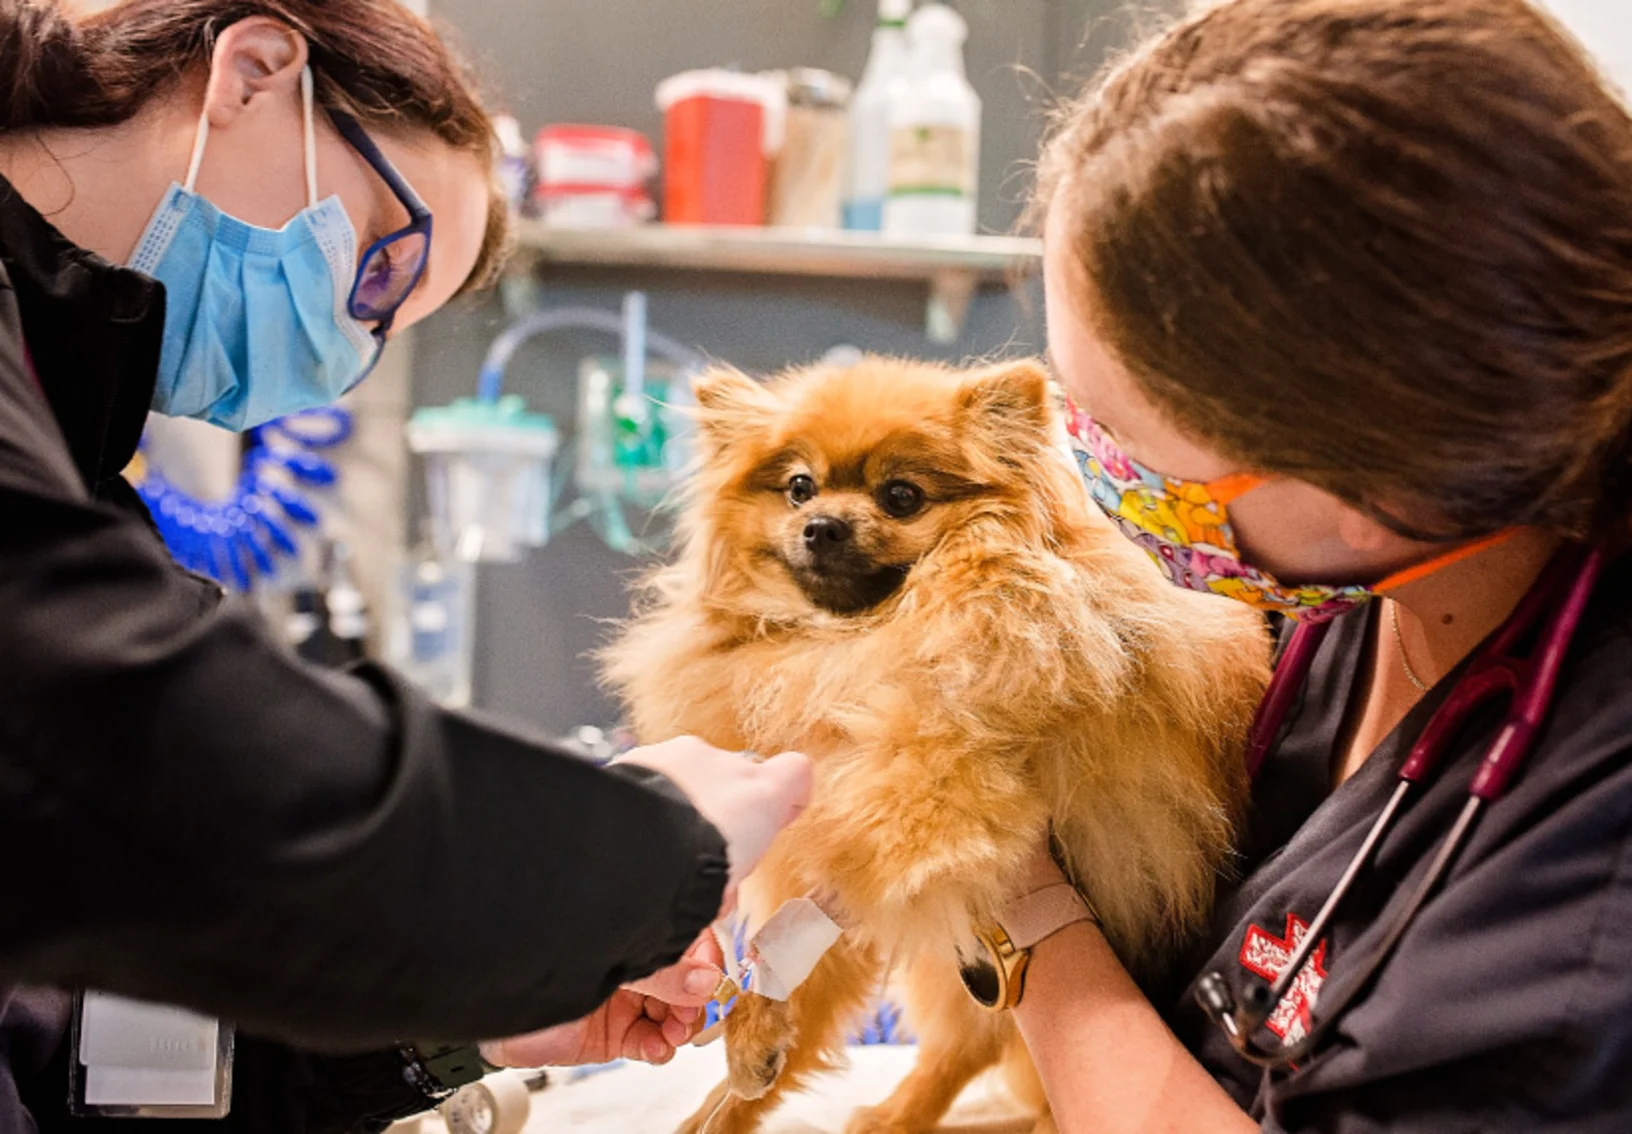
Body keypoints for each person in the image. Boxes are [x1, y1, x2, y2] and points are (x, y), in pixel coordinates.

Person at [0, 2, 810, 1132]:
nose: (341, 353)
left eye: (384, 332)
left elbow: (84, 1041)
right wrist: (640, 855)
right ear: (258, 69)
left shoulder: (70, 440)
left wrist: (456, 1028)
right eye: (382, 269)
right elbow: (137, 755)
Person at [991, 0, 1632, 1130]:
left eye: (1115, 439)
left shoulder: (1593, 879)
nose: (1083, 467)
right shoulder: (1337, 592)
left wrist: (1013, 900)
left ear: (1365, 493)